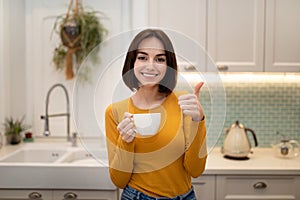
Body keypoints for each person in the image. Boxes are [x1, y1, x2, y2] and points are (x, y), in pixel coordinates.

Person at [105, 29, 207, 200]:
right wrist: (126, 141)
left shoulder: (184, 103)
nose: (150, 65)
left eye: (159, 59)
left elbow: (196, 170)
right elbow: (119, 181)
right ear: (132, 63)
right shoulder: (115, 112)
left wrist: (199, 121)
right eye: (143, 57)